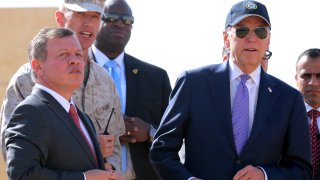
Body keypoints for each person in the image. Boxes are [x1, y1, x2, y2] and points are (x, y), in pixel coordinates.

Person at [150, 1, 312, 179]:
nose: (251, 38)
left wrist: (265, 175)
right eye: (242, 30)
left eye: (260, 31)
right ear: (226, 38)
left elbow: (302, 170)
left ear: (268, 40)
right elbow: (161, 149)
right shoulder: (193, 83)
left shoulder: (289, 98)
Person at [0, 0, 125, 172]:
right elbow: (13, 154)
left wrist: (108, 169)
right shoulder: (26, 79)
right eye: (80, 14)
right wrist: (88, 149)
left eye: (95, 17)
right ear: (59, 18)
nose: (88, 23)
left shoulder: (105, 80)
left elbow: (115, 143)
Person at [90, 0, 172, 179]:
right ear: (97, 21)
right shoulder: (74, 70)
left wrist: (149, 132)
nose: (120, 23)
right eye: (111, 18)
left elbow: (173, 135)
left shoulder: (156, 78)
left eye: (127, 20)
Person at [295, 48, 320, 180]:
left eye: (319, 76)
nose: (313, 82)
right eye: (306, 76)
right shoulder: (280, 116)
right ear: (296, 78)